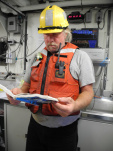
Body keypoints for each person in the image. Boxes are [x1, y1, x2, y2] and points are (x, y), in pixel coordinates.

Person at [7, 5, 95, 151]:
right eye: (46, 35)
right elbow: (26, 85)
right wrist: (18, 95)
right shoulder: (37, 56)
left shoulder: (80, 57)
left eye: (55, 34)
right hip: (35, 127)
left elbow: (88, 92)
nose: (50, 39)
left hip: (64, 132)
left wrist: (74, 106)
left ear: (65, 32)